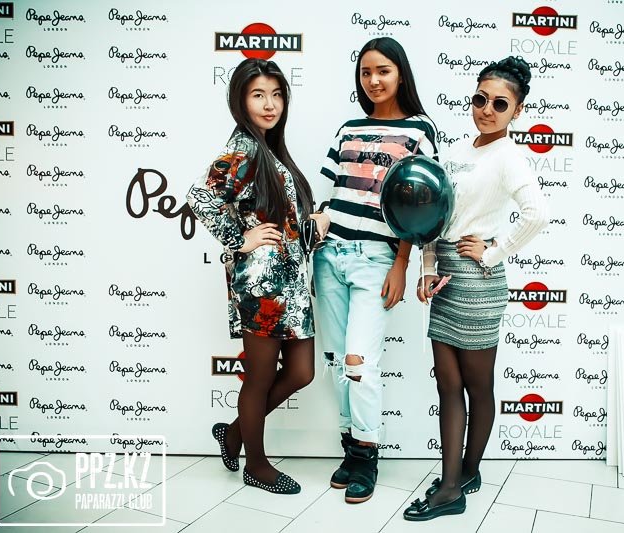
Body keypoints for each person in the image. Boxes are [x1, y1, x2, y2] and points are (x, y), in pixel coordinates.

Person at [403, 56, 549, 521]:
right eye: (480, 99)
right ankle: (458, 476)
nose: (487, 109)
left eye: (500, 104)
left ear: (517, 111)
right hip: (446, 276)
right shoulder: (458, 151)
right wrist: (427, 268)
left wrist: (493, 252)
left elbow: (537, 214)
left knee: (477, 386)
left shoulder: (509, 157)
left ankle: (456, 483)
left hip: (478, 284)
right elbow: (435, 215)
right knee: (448, 386)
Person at [310, 37, 437, 504]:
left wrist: (402, 262)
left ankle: (367, 454)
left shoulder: (420, 131)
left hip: (376, 260)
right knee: (336, 362)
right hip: (329, 257)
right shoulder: (349, 128)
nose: (374, 80)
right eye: (365, 72)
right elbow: (328, 191)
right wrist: (317, 223)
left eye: (383, 70)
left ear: (400, 74)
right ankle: (351, 446)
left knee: (359, 363)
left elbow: (422, 204)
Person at [187, 58, 315, 495]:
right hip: (261, 284)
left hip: (290, 283)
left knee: (301, 372)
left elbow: (286, 225)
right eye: (258, 95)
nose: (270, 104)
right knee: (260, 378)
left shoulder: (268, 149)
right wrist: (239, 239)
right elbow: (200, 197)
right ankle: (256, 466)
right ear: (240, 100)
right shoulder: (242, 148)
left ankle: (234, 433)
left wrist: (315, 224)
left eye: (277, 95)